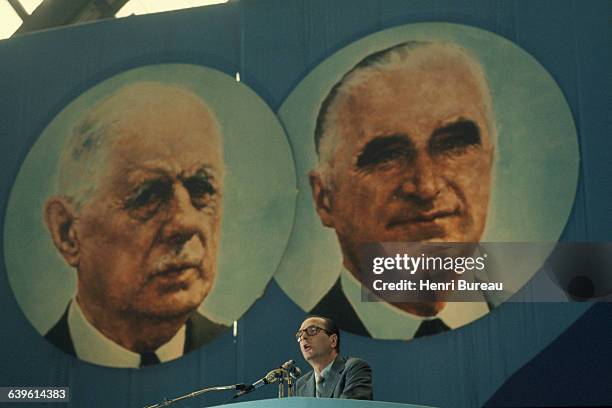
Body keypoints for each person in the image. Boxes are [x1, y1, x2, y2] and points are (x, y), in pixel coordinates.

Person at [308, 41, 498, 339]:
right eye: (386, 156)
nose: (426, 186)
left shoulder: (544, 324)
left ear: (490, 159)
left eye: (454, 144)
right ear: (325, 199)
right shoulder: (292, 353)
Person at [43, 82, 228, 367]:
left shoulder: (246, 359)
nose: (185, 222)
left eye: (201, 189)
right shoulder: (23, 366)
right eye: (148, 196)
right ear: (67, 232)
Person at [294, 316, 373, 399]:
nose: (303, 337)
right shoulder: (301, 384)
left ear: (333, 340)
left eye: (312, 330)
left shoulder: (354, 369)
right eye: (300, 334)